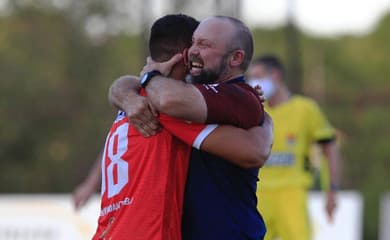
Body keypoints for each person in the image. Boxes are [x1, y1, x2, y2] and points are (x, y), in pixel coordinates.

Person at [92, 14, 273, 240]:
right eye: (193, 43)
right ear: (181, 57)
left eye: (204, 44)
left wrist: (144, 79)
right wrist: (127, 90)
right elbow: (255, 150)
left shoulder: (157, 103)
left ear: (236, 57)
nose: (194, 52)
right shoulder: (158, 107)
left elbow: (253, 152)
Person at [247, 54, 342, 240]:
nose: (254, 82)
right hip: (257, 193)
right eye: (252, 77)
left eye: (258, 76)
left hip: (292, 192)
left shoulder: (305, 109)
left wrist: (331, 189)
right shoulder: (253, 109)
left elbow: (329, 148)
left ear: (275, 76)